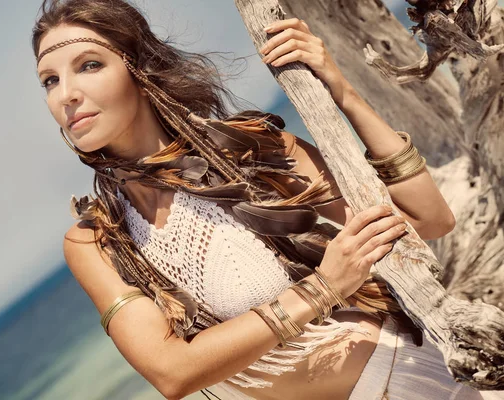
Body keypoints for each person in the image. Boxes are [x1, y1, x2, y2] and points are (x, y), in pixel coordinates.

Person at [31, 1, 492, 399]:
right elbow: (172, 373)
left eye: (89, 65)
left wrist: (340, 88)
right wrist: (324, 287)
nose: (67, 94)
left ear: (137, 67)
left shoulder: (255, 154)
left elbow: (427, 218)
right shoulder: (101, 241)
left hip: (420, 383)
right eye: (49, 81)